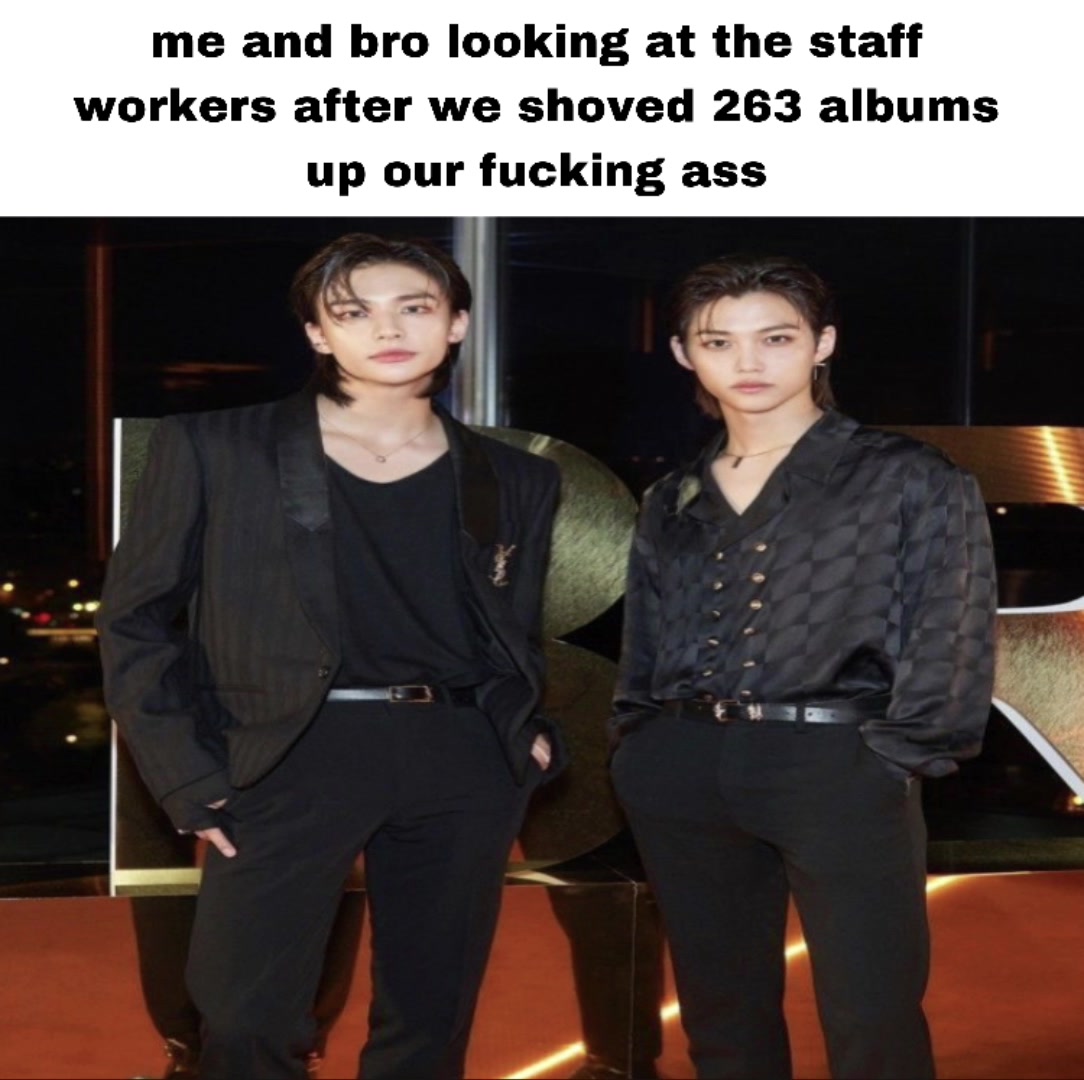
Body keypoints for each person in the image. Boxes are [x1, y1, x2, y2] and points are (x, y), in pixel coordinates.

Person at [98, 233, 564, 1080]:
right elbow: (135, 621)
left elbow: (513, 628)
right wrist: (183, 772)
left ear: (456, 323)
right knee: (243, 1014)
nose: (388, 329)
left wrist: (519, 728)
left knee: (430, 1017)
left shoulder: (515, 477)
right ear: (318, 333)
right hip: (284, 754)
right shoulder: (215, 447)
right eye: (354, 312)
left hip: (458, 754)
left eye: (414, 308)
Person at [609, 254, 997, 1080]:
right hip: (681, 764)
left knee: (872, 1017)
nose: (747, 362)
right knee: (721, 1018)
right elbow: (644, 640)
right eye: (718, 341)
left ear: (822, 343)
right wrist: (638, 741)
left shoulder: (906, 476)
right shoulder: (673, 495)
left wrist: (899, 757)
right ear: (684, 353)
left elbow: (952, 628)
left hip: (839, 763)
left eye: (776, 338)